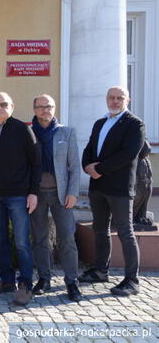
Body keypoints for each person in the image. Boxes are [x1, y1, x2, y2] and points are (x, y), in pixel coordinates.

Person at [79, 86, 145, 297]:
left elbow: (127, 154)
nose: (115, 101)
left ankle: (132, 280)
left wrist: (98, 169)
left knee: (125, 232)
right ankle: (100, 271)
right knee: (100, 229)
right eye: (112, 98)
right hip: (97, 187)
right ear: (106, 99)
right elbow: (89, 148)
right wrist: (86, 166)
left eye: (120, 98)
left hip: (119, 188)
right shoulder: (100, 122)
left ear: (128, 100)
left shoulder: (135, 124)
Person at [0, 92, 40, 306]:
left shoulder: (23, 130)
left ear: (12, 106)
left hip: (18, 195)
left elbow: (36, 163)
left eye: (3, 104)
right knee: (1, 239)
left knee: (22, 242)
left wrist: (33, 192)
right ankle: (6, 280)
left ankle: (25, 284)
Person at [29, 94, 82, 302]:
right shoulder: (29, 133)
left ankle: (71, 281)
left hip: (62, 195)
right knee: (40, 238)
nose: (45, 110)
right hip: (37, 194)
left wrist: (73, 192)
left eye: (48, 106)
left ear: (54, 108)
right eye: (40, 106)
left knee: (67, 237)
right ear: (34, 109)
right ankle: (44, 278)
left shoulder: (66, 133)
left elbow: (74, 166)